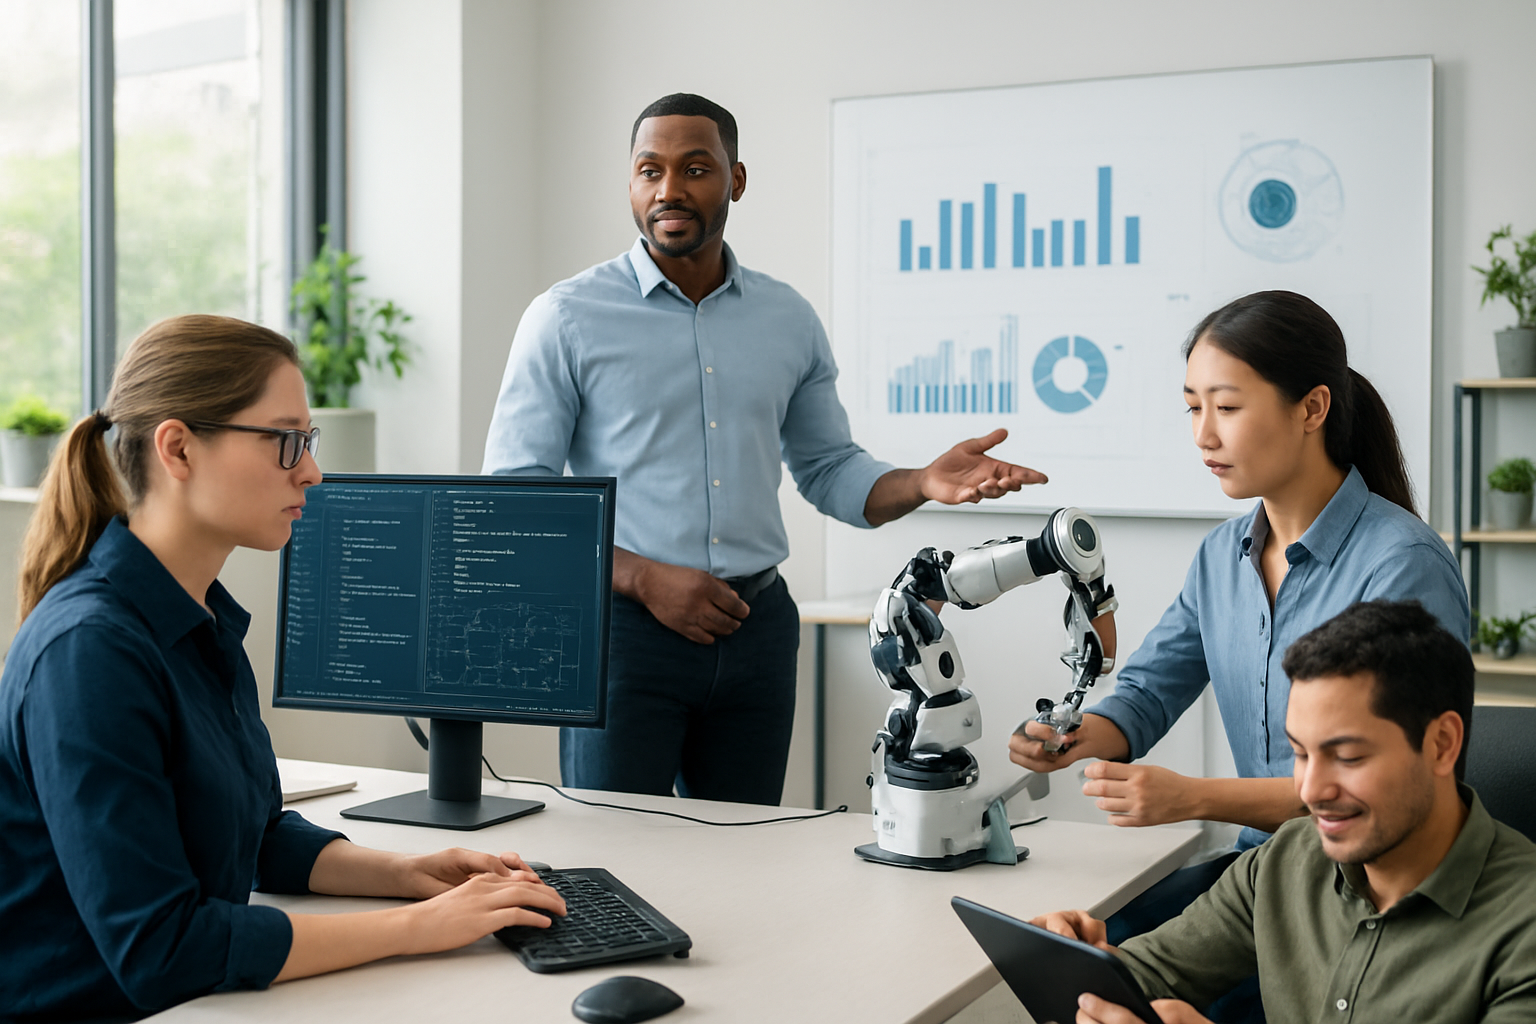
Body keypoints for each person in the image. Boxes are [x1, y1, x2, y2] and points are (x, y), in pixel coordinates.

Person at [483, 92, 1043, 805]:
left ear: (735, 181)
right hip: (627, 637)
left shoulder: (787, 318)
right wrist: (646, 579)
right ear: (630, 183)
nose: (669, 190)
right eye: (649, 170)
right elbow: (515, 500)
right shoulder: (564, 317)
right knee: (617, 857)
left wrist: (922, 481)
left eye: (694, 169)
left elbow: (829, 470)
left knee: (748, 856)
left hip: (758, 633)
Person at [0, 316, 566, 1022]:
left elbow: (257, 836)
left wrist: (413, 876)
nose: (312, 472)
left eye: (311, 441)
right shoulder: (89, 654)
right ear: (178, 448)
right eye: (286, 442)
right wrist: (421, 929)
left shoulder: (200, 620)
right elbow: (161, 948)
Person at [1008, 291, 1468, 933]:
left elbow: (1389, 788)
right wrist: (1073, 734)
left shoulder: (1402, 564)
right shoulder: (1223, 555)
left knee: (1123, 967)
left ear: (1312, 408)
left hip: (1373, 891)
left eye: (1226, 407)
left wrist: (1193, 798)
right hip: (1267, 870)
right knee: (1078, 946)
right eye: (1193, 407)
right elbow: (1147, 691)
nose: (1204, 434)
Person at [1031, 599, 1536, 1024]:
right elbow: (1149, 973)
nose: (1311, 790)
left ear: (1442, 744)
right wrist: (1082, 962)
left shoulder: (1522, 931)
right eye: (1300, 753)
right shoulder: (1285, 860)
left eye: (1348, 756)